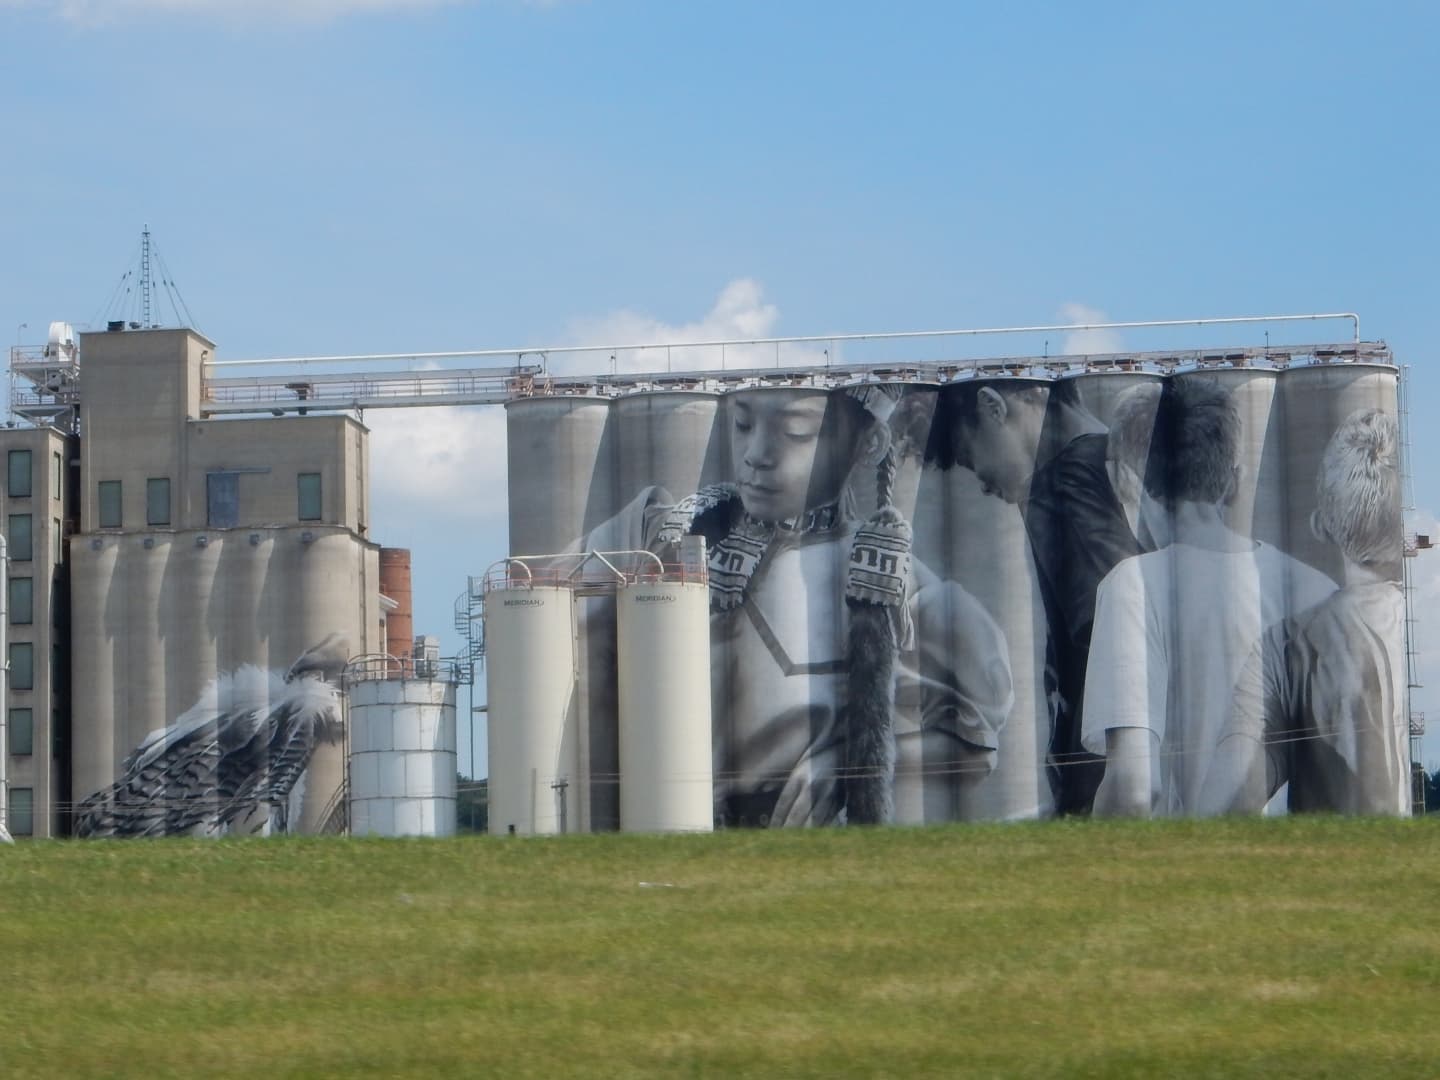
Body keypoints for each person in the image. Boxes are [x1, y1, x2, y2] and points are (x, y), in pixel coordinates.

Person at [579, 384, 1014, 827]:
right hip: (657, 825)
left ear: (870, 444)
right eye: (744, 425)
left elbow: (973, 741)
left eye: (795, 431)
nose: (757, 454)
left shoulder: (897, 585)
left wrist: (846, 768)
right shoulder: (667, 535)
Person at [1080, 376, 1336, 817]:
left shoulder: (1133, 585)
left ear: (1126, 480)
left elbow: (1134, 787)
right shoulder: (1319, 592)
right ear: (1234, 483)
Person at [925, 377, 1142, 815]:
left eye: (970, 456)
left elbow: (1114, 640)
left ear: (993, 407)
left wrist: (1089, 796)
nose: (983, 482)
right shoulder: (1109, 461)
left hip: (1104, 785)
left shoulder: (1063, 485)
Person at [1200, 408, 1409, 816]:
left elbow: (1222, 802)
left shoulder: (1288, 647)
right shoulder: (1418, 630)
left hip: (1336, 872)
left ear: (1320, 526)